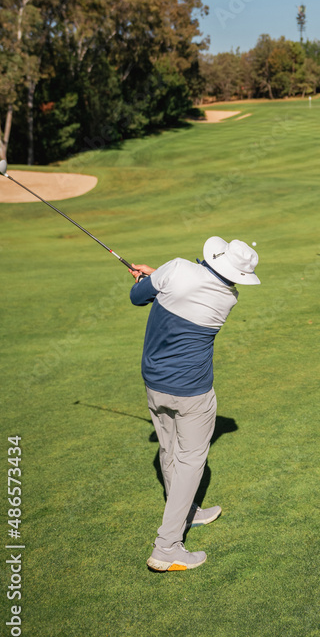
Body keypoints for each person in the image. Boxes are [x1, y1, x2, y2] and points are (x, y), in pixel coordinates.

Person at [129, 235, 260, 571]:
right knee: (190, 461)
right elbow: (188, 289)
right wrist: (158, 277)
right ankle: (167, 547)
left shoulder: (175, 269)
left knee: (169, 449)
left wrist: (150, 279)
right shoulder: (228, 297)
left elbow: (137, 297)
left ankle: (186, 511)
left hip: (154, 382)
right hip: (193, 391)